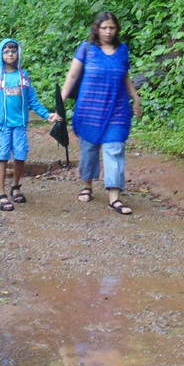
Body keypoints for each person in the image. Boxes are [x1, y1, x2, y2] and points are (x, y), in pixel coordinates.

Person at [61, 11, 142, 215]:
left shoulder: (123, 50)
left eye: (112, 28)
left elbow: (125, 77)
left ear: (117, 29)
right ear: (96, 28)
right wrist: (59, 103)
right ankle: (87, 185)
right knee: (89, 149)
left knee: (115, 150)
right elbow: (72, 76)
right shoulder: (86, 49)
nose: (108, 32)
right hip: (89, 109)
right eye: (104, 27)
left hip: (117, 109)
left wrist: (136, 98)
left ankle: (114, 197)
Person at [0, 38, 61, 211]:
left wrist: (47, 114)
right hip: (1, 126)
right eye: (6, 51)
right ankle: (0, 194)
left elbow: (32, 99)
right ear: (0, 54)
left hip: (19, 125)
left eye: (13, 50)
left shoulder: (23, 76)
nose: (10, 54)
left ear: (18, 53)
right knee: (1, 157)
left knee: (20, 155)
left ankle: (15, 186)